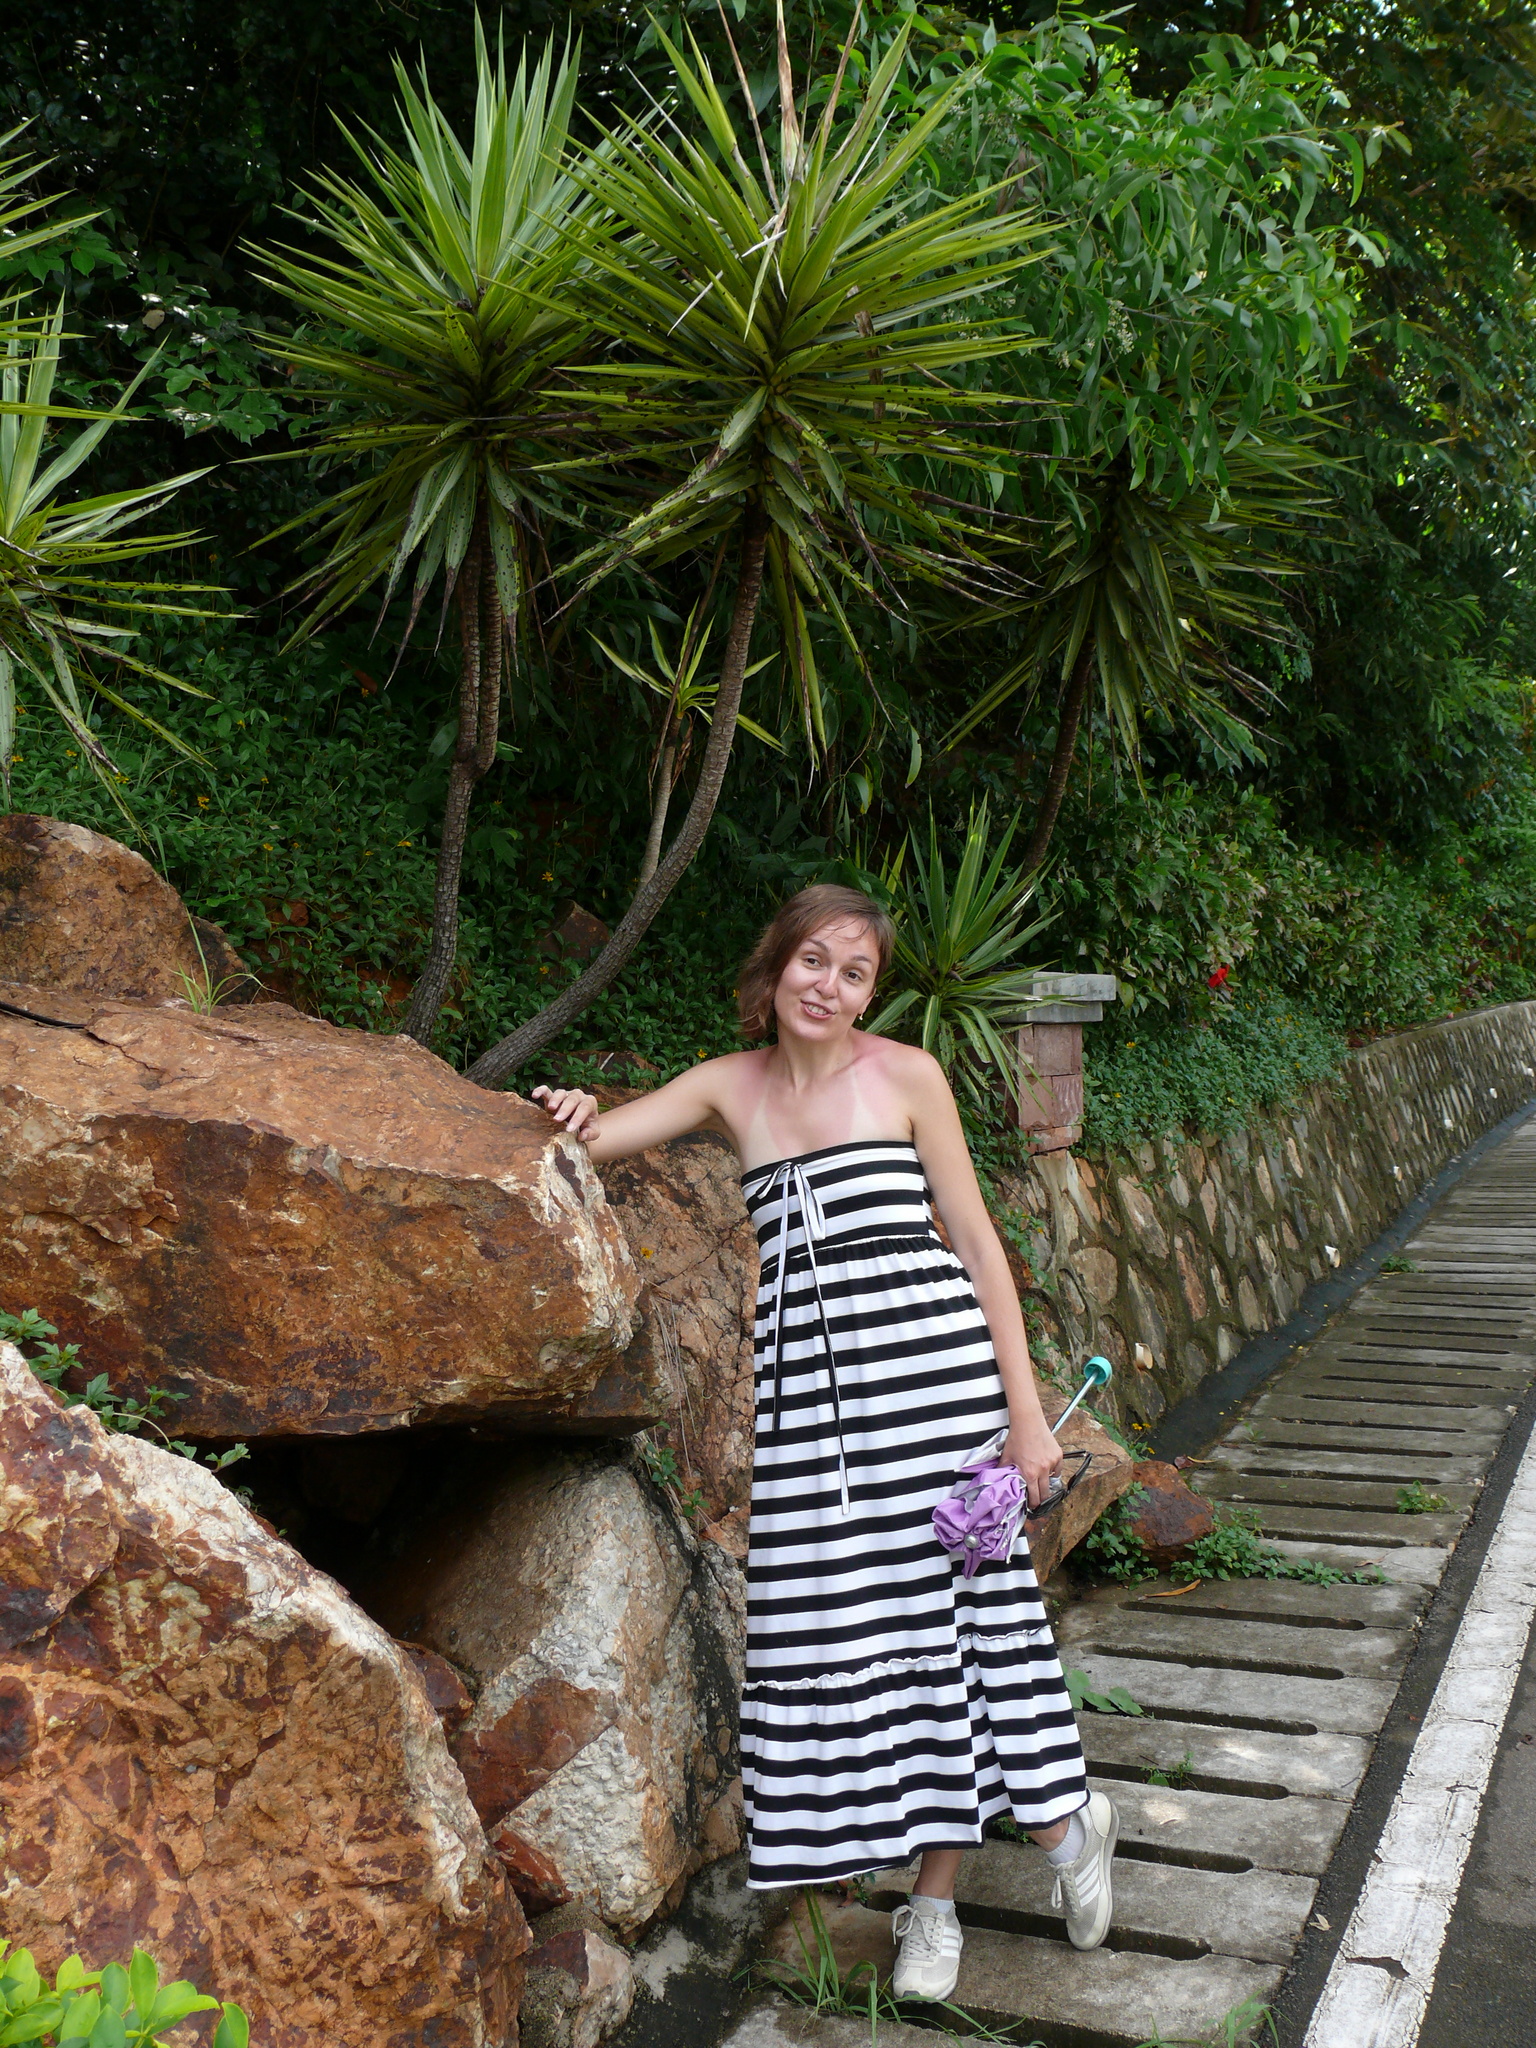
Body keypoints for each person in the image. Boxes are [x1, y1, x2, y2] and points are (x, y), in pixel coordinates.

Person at [532, 882, 1117, 2003]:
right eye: (814, 960)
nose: (829, 985)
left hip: (937, 1392)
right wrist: (571, 1107)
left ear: (870, 993)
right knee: (852, 1636)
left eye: (855, 972)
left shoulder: (908, 1076)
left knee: (959, 1628)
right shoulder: (730, 1086)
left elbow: (978, 1246)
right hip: (813, 1421)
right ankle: (1024, 1844)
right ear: (777, 964)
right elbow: (600, 1136)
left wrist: (1024, 1413)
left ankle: (978, 1878)